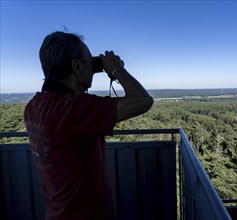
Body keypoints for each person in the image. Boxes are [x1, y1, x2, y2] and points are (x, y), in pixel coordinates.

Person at [24, 31, 154, 220]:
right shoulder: (74, 109)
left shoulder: (34, 106)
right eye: (88, 62)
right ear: (76, 66)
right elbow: (143, 100)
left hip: (56, 213)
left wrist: (86, 72)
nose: (92, 68)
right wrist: (116, 69)